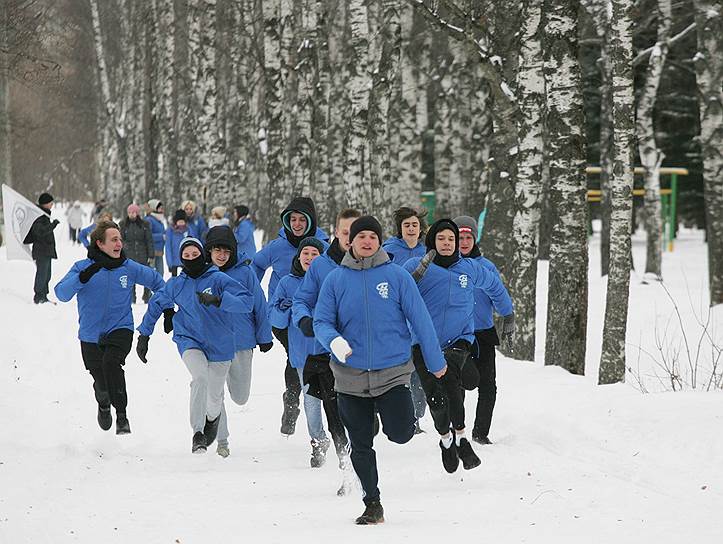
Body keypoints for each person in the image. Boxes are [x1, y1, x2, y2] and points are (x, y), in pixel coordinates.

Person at [313, 215, 447, 525]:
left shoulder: (397, 277)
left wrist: (435, 363)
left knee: (401, 433)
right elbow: (321, 321)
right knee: (361, 444)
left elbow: (421, 320)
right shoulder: (336, 280)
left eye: (373, 236)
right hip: (350, 376)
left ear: (379, 241)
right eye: (362, 237)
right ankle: (372, 503)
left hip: (392, 372)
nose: (367, 241)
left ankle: (384, 417)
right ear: (352, 242)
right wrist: (333, 342)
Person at [403, 219, 512, 474]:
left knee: (451, 381)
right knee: (436, 397)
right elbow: (394, 291)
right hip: (423, 342)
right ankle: (446, 439)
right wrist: (412, 278)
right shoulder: (417, 266)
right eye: (441, 239)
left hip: (459, 340)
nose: (447, 243)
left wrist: (508, 314)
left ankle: (462, 437)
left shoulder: (470, 268)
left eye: (451, 239)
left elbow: (494, 285)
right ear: (432, 241)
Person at [136, 237, 254, 453]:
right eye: (186, 256)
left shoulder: (218, 279)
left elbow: (247, 302)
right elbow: (156, 304)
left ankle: (221, 439)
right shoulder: (177, 284)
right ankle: (198, 434)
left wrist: (221, 301)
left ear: (203, 255)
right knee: (200, 379)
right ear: (181, 258)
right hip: (189, 339)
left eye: (195, 254)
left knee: (215, 396)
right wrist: (144, 335)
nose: (191, 259)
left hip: (221, 344)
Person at [54, 220, 164, 434]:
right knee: (101, 380)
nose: (119, 244)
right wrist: (81, 278)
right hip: (90, 334)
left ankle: (122, 416)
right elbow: (61, 293)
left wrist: (165, 308)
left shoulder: (128, 267)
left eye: (120, 240)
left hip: (120, 328)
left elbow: (158, 282)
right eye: (114, 240)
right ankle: (103, 402)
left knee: (112, 363)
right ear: (100, 244)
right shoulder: (82, 267)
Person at [252, 196, 330, 435]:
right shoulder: (277, 246)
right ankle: (294, 400)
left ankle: (300, 399)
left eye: (301, 219)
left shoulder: (323, 246)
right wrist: (256, 297)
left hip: (313, 315)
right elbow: (255, 266)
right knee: (296, 356)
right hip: (282, 314)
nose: (296, 224)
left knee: (308, 358)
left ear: (311, 221)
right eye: (292, 219)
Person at [202, 226, 273, 457]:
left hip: (242, 342)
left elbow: (259, 304)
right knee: (214, 393)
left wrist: (264, 336)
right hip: (213, 344)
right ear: (209, 251)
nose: (221, 255)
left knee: (240, 397)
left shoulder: (245, 272)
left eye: (226, 250)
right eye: (217, 250)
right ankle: (221, 440)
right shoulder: (202, 274)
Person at [269, 237, 334, 468]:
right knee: (311, 402)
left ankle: (346, 439)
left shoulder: (331, 279)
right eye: (305, 253)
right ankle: (318, 441)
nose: (308, 257)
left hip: (330, 352)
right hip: (302, 356)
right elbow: (274, 318)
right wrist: (285, 310)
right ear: (298, 256)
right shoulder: (287, 282)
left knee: (337, 400)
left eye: (314, 254)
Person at [453, 215, 515, 445]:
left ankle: (480, 434)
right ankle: (456, 429)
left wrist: (508, 315)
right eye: (460, 238)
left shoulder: (486, 266)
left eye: (469, 237)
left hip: (484, 333)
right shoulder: (448, 267)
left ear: (475, 238)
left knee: (488, 385)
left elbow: (498, 293)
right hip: (457, 335)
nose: (465, 242)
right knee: (460, 383)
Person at [381, 206, 429, 432]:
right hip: (396, 318)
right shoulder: (389, 250)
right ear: (400, 228)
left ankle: (417, 415)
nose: (411, 228)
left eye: (414, 225)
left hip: (422, 317)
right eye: (406, 225)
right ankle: (401, 415)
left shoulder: (429, 251)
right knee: (401, 369)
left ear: (421, 229)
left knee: (420, 369)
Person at [23, 192, 59, 304]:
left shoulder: (45, 214)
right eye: (50, 202)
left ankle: (44, 296)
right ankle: (38, 297)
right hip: (41, 250)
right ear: (45, 203)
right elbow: (39, 232)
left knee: (47, 274)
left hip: (46, 250)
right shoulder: (39, 215)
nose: (52, 204)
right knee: (42, 274)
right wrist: (52, 225)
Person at [119, 204, 154, 303]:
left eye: (134, 212)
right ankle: (132, 297)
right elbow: (120, 240)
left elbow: (149, 240)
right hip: (128, 254)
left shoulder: (144, 224)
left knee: (146, 276)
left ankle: (146, 295)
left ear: (137, 213)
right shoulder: (123, 224)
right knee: (130, 277)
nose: (131, 215)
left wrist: (151, 254)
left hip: (143, 254)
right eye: (130, 212)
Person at [144, 199, 166, 301]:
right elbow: (148, 236)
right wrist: (161, 237)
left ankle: (158, 293)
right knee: (152, 274)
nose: (162, 209)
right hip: (152, 252)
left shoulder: (159, 219)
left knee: (160, 273)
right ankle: (148, 295)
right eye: (159, 207)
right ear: (154, 208)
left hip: (160, 251)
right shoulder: (149, 219)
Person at [165, 209, 190, 277]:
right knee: (174, 279)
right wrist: (169, 262)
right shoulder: (170, 230)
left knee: (186, 278)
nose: (181, 224)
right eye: (179, 222)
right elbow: (168, 247)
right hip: (174, 259)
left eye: (183, 222)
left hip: (185, 259)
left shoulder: (188, 229)